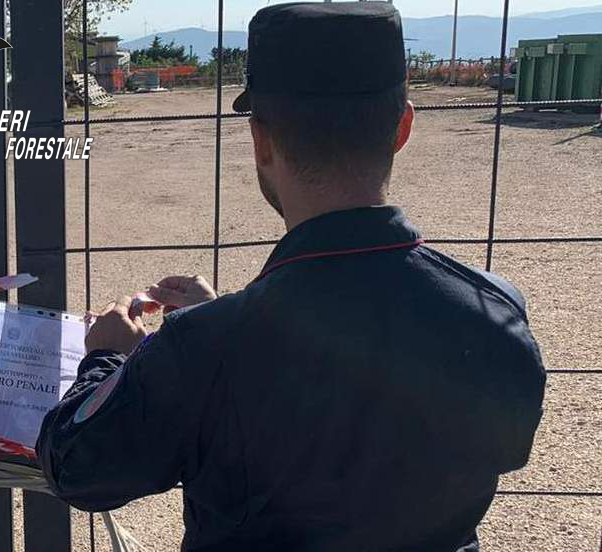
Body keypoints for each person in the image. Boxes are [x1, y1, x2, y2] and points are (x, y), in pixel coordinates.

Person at [36, 3, 546, 551]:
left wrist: (107, 358)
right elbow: (505, 446)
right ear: (402, 127)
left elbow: (75, 465)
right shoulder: (495, 315)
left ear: (261, 141)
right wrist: (220, 323)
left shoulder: (206, 348)